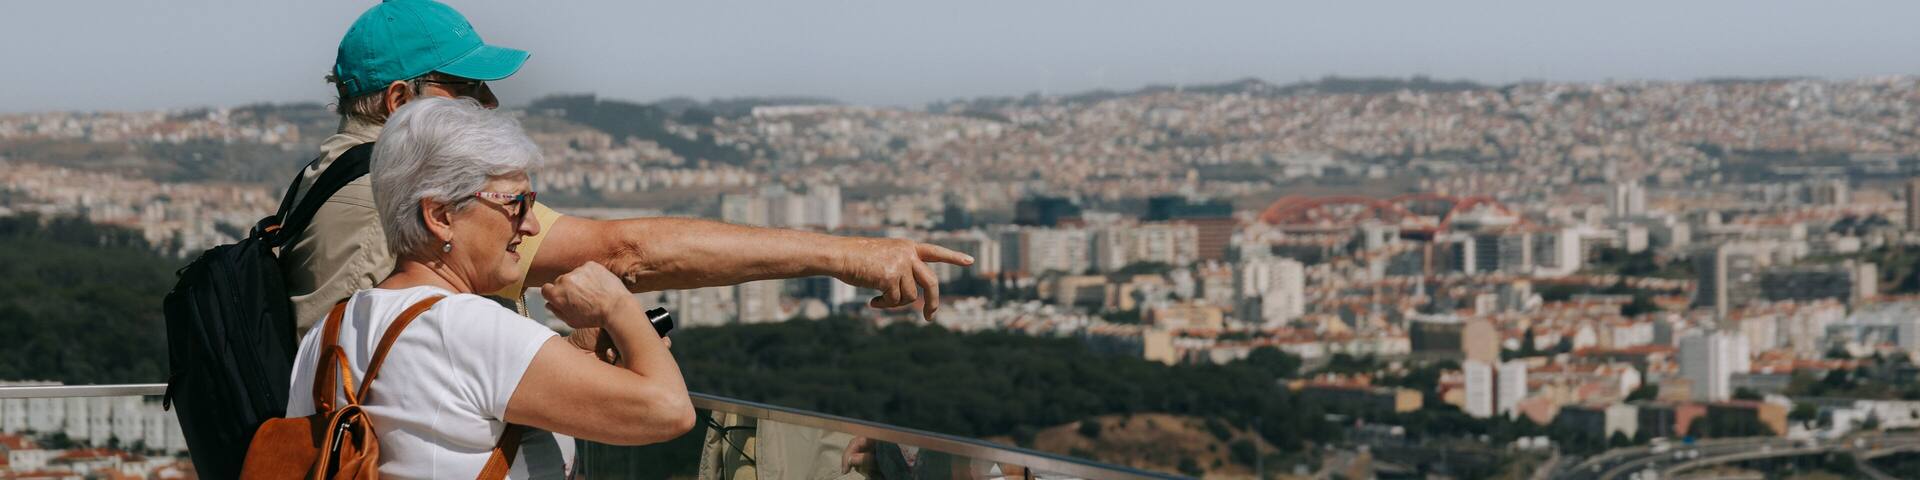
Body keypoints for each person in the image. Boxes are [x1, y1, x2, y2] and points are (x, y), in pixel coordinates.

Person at [285, 0, 972, 335]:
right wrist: (847, 256)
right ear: (401, 101)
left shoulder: (329, 179)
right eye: (465, 89)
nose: (490, 102)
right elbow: (628, 252)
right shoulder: (394, 189)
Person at [288, 97, 691, 478]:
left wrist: (573, 355)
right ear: (441, 216)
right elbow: (670, 409)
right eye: (516, 203)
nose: (531, 225)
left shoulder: (331, 328)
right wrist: (617, 304)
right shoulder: (466, 327)